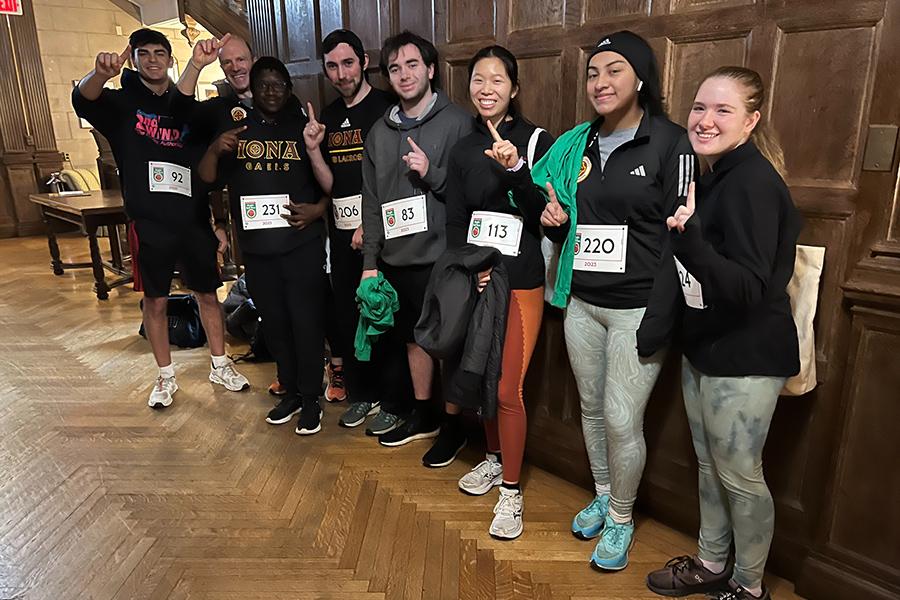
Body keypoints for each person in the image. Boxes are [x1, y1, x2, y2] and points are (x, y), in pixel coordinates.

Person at [534, 31, 695, 570]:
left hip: (637, 308)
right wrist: (555, 223)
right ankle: (604, 495)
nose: (600, 82)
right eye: (593, 73)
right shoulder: (578, 143)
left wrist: (662, 313)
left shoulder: (671, 142)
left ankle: (622, 518)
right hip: (581, 302)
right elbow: (570, 217)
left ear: (641, 78)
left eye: (614, 70)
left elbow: (681, 235)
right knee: (592, 408)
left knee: (623, 419)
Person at [645, 66, 801, 600]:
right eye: (699, 107)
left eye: (722, 110)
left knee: (739, 475)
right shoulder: (713, 174)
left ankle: (749, 587)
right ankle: (712, 564)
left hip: (747, 355)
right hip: (708, 348)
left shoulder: (753, 183)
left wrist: (689, 241)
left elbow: (749, 288)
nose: (705, 120)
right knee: (711, 467)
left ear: (751, 121)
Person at [72, 28, 249, 409]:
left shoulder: (189, 107)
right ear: (134, 59)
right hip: (150, 223)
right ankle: (165, 375)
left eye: (159, 53)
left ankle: (220, 365)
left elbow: (211, 168)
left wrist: (218, 223)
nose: (152, 60)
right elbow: (83, 99)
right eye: (144, 53)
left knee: (208, 294)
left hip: (193, 220)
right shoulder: (121, 105)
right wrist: (100, 74)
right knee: (155, 301)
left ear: (170, 60)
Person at [444, 45, 553, 539]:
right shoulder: (462, 147)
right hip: (479, 277)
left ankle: (511, 492)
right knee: (482, 378)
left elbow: (543, 216)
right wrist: (470, 270)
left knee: (508, 389)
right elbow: (456, 222)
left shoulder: (534, 140)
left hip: (520, 278)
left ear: (514, 88)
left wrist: (515, 169)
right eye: (478, 80)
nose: (486, 89)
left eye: (497, 80)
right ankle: (492, 459)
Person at [197, 56, 329, 435]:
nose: (271, 91)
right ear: (251, 90)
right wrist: (214, 149)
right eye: (263, 85)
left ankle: (311, 399)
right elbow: (206, 180)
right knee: (275, 325)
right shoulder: (238, 128)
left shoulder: (304, 128)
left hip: (301, 245)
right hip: (257, 250)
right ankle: (290, 391)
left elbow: (330, 184)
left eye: (278, 84)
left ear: (289, 88)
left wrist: (318, 209)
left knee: (306, 324)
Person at [359, 30, 473, 461]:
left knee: (447, 344)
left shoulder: (458, 122)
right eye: (394, 68)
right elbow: (372, 203)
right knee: (412, 340)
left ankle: (454, 427)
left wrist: (432, 173)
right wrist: (370, 262)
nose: (404, 74)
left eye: (412, 65)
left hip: (443, 258)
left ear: (430, 69)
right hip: (396, 258)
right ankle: (424, 415)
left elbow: (471, 194)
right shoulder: (378, 133)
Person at [301, 29, 415, 430]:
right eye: (332, 66)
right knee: (350, 316)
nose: (341, 73)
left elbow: (399, 176)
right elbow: (330, 185)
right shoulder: (329, 117)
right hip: (341, 234)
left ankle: (394, 402)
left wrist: (373, 224)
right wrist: (313, 150)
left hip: (382, 234)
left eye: (348, 63)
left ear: (364, 62)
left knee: (386, 317)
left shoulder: (387, 108)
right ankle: (363, 394)